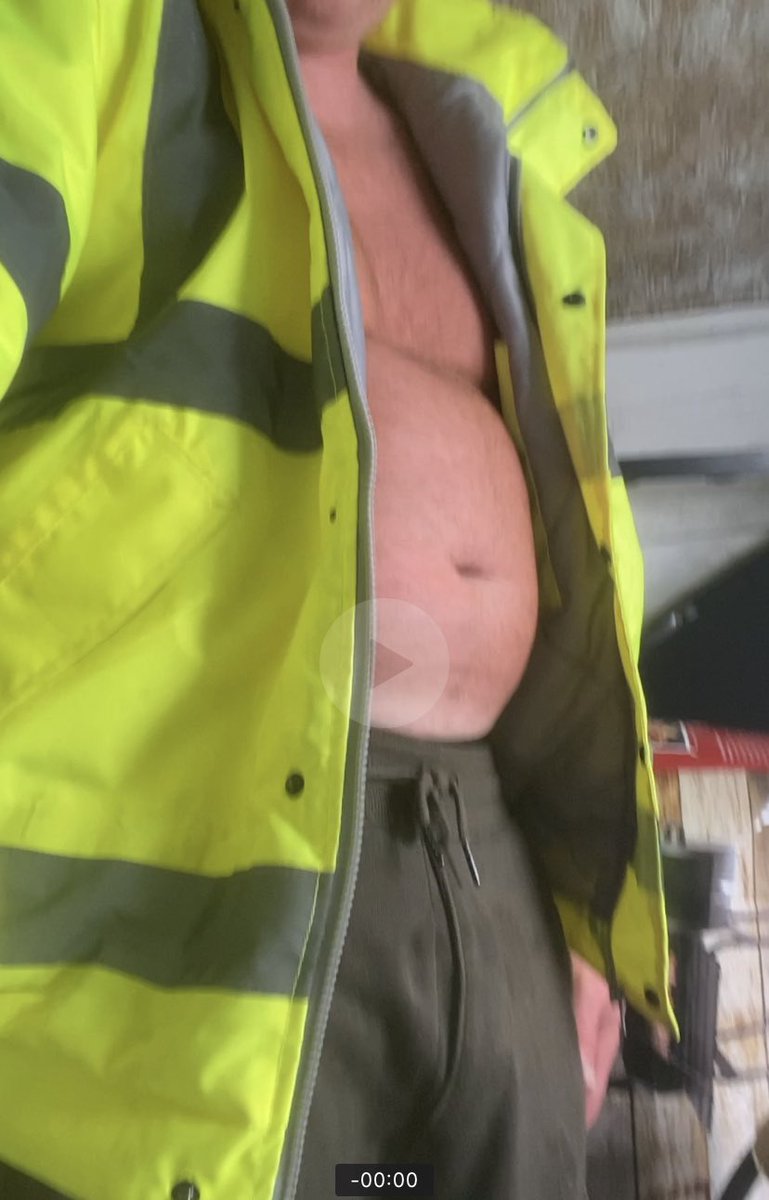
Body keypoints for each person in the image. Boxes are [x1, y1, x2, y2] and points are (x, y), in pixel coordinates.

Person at [0, 1, 676, 1198]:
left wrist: (577, 907)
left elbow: (585, 558)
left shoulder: (487, 142)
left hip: (492, 849)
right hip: (194, 862)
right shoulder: (86, 41)